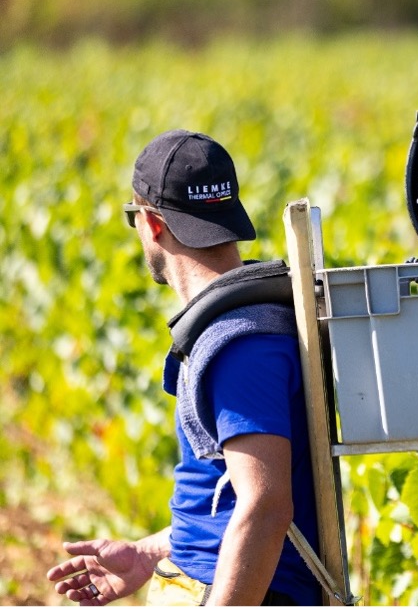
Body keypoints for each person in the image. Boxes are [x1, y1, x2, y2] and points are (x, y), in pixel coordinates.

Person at [46, 129, 322, 605]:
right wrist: (145, 554)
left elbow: (265, 507)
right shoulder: (239, 329)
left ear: (151, 223)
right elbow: (230, 500)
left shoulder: (240, 344)